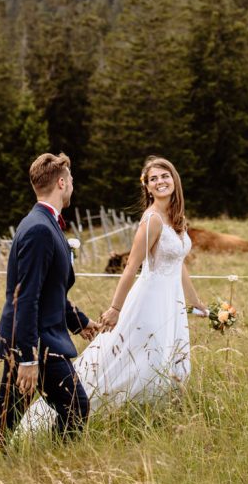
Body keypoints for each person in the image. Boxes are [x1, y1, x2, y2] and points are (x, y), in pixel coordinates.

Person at [19, 155, 206, 432]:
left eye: (164, 176)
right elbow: (131, 266)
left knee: (170, 358)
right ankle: (82, 411)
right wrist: (116, 309)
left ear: (174, 179)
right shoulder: (152, 219)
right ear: (148, 187)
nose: (160, 182)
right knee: (139, 358)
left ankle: (162, 418)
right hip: (150, 300)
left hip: (172, 302)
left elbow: (179, 266)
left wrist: (198, 304)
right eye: (153, 179)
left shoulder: (177, 219)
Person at [0, 152, 102, 451]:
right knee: (75, 408)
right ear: (61, 183)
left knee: (7, 416)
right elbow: (27, 298)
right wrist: (28, 358)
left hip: (37, 337)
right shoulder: (39, 229)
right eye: (71, 179)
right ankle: (61, 466)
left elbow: (51, 291)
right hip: (36, 342)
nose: (73, 184)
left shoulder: (46, 223)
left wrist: (80, 321)